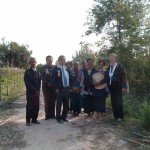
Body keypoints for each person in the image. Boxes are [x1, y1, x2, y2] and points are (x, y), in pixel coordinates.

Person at [101, 53, 127, 121]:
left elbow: (123, 76)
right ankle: (115, 116)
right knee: (113, 102)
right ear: (109, 59)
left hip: (118, 86)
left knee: (119, 102)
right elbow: (106, 78)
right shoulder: (109, 68)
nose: (112, 59)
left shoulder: (119, 66)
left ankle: (120, 117)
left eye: (113, 58)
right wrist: (99, 81)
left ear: (115, 59)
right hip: (111, 87)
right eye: (110, 58)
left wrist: (124, 87)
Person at [52, 55, 70, 123]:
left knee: (66, 104)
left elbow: (68, 78)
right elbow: (52, 80)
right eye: (61, 60)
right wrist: (55, 88)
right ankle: (58, 118)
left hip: (66, 89)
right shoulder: (55, 68)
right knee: (59, 104)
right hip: (59, 90)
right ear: (58, 60)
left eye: (64, 60)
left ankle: (64, 117)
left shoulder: (66, 68)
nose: (63, 61)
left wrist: (69, 87)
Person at [24, 57, 41, 126]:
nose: (33, 63)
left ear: (36, 62)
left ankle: (34, 119)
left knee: (36, 106)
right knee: (30, 106)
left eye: (34, 62)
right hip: (30, 93)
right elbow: (27, 83)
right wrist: (34, 90)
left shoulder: (37, 71)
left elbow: (39, 82)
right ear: (29, 63)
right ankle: (28, 121)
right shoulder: (27, 72)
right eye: (32, 62)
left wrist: (38, 90)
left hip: (37, 93)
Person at [40, 55, 55, 120]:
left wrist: (53, 84)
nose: (50, 61)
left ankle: (52, 114)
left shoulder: (55, 67)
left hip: (53, 87)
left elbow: (56, 77)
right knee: (47, 101)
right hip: (46, 87)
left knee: (53, 101)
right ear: (46, 60)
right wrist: (47, 83)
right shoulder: (43, 68)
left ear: (52, 60)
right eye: (48, 60)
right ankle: (47, 115)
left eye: (51, 60)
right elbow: (42, 77)